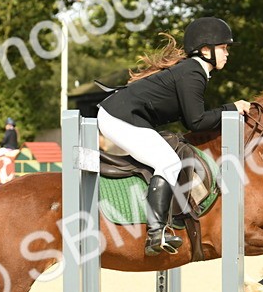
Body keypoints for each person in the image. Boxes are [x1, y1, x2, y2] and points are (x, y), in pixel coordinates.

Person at [98, 17, 250, 256]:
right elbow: (196, 122)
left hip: (124, 115)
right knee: (168, 162)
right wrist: (231, 108)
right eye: (223, 48)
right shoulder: (193, 72)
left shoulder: (193, 71)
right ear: (205, 50)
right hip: (119, 117)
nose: (227, 53)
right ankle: (155, 233)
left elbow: (192, 118)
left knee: (165, 158)